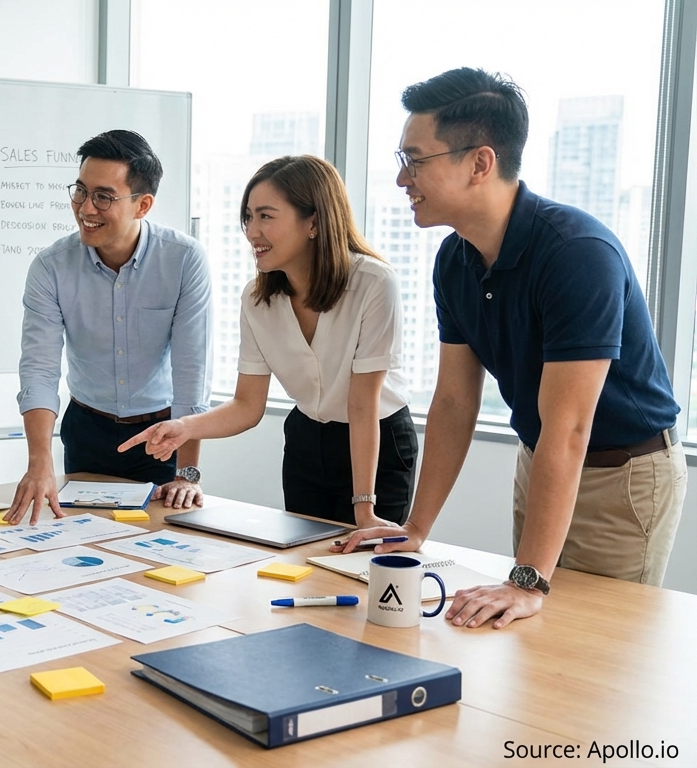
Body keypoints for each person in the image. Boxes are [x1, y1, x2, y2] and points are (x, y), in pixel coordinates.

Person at [343, 68, 687, 630]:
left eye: (416, 159)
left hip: (623, 473)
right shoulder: (454, 259)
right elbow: (455, 403)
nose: (402, 178)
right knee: (529, 636)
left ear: (479, 162)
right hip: (543, 457)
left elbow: (571, 428)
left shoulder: (577, 253)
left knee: (595, 644)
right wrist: (416, 530)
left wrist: (527, 577)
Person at [121, 155, 416, 528]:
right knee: (306, 562)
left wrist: (364, 511)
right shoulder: (257, 299)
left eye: (266, 216)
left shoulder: (373, 283)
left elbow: (362, 405)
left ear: (313, 221)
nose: (251, 231)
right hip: (307, 440)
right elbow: (247, 405)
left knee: (366, 565)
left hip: (378, 440)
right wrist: (185, 428)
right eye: (248, 216)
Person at [8, 129, 212, 525]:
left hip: (162, 433)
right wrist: (39, 462)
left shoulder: (183, 260)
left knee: (160, 547)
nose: (86, 207)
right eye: (80, 192)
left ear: (143, 204)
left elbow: (193, 369)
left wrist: (188, 473)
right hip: (87, 429)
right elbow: (39, 368)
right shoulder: (52, 267)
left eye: (103, 196)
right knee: (77, 545)